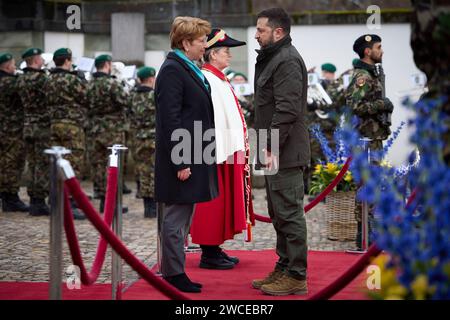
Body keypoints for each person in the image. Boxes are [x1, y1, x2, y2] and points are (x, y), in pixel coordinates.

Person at [155, 16, 218, 293]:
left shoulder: (186, 66)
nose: (205, 46)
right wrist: (181, 159)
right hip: (183, 155)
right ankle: (174, 273)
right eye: (202, 41)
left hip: (195, 150)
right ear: (185, 43)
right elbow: (170, 118)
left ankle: (174, 269)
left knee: (184, 215)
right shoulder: (172, 69)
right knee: (176, 217)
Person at [252, 8, 310, 296]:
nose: (256, 34)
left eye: (261, 30)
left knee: (289, 214)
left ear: (278, 32)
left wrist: (271, 146)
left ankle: (297, 275)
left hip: (283, 151)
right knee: (278, 213)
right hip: (274, 148)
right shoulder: (274, 58)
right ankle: (285, 266)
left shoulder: (286, 60)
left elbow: (286, 109)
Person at [189, 29, 255, 270]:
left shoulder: (219, 78)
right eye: (226, 52)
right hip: (216, 152)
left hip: (227, 151)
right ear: (213, 54)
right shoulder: (208, 79)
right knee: (212, 203)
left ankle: (215, 248)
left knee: (221, 200)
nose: (230, 56)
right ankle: (208, 252)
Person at [345, 34, 394, 250]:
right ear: (367, 51)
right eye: (378, 47)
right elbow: (354, 106)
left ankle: (369, 232)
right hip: (364, 141)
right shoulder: (362, 76)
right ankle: (364, 235)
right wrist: (381, 105)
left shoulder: (374, 74)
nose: (381, 50)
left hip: (372, 139)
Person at [45, 48, 88, 220]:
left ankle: (56, 198)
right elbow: (87, 96)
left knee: (57, 163)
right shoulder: (72, 80)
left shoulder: (48, 80)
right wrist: (82, 80)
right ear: (68, 61)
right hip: (72, 126)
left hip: (54, 124)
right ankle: (69, 202)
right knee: (73, 163)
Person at [87, 54, 129, 214]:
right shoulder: (111, 83)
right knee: (113, 164)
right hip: (112, 129)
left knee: (97, 164)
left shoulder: (88, 84)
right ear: (106, 65)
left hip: (94, 128)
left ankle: (102, 198)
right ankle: (111, 202)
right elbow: (125, 100)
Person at [17, 48, 51, 216]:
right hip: (42, 127)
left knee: (32, 164)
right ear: (36, 60)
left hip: (28, 125)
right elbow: (51, 97)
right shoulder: (42, 79)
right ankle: (39, 201)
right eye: (41, 58)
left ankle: (33, 199)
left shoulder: (21, 79)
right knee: (42, 164)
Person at [0, 53, 29, 213]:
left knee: (4, 162)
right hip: (12, 129)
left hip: (4, 128)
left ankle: (6, 195)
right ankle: (10, 198)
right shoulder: (10, 82)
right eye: (12, 64)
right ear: (6, 66)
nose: (15, 67)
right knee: (12, 163)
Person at [129, 66, 157, 218]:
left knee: (142, 170)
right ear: (151, 79)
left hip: (138, 137)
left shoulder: (132, 96)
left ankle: (147, 204)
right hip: (153, 137)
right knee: (153, 171)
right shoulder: (155, 95)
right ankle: (152, 206)